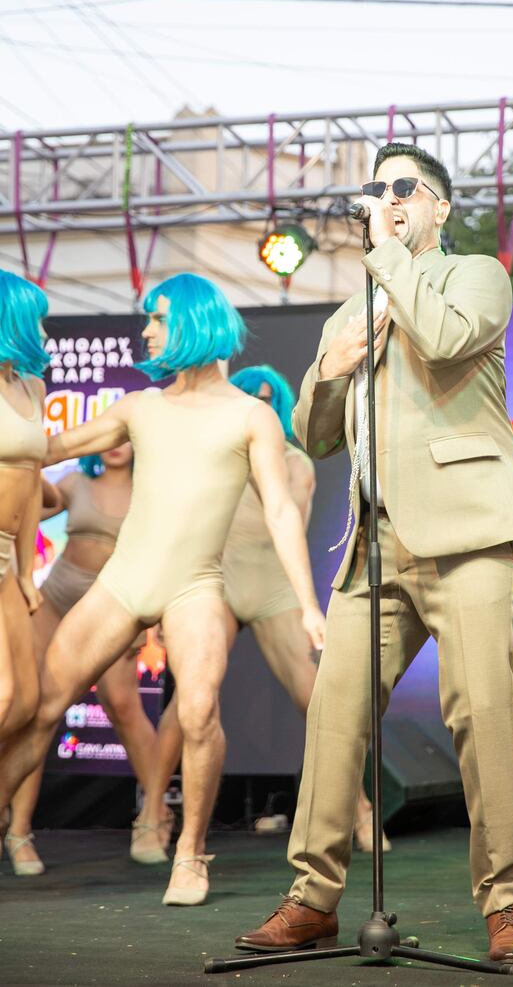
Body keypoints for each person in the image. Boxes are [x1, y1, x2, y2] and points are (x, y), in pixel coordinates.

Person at [235, 143, 513, 966]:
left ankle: (506, 902)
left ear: (440, 207)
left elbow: (443, 341)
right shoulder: (350, 309)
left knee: (482, 716)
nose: (390, 198)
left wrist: (384, 256)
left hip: (471, 533)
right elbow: (316, 432)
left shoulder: (473, 275)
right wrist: (330, 371)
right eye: (378, 188)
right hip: (375, 545)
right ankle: (312, 898)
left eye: (405, 188)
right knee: (333, 716)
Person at [0, 273, 324, 907]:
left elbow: (283, 511)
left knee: (199, 711)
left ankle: (190, 853)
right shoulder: (140, 407)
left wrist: (309, 603)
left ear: (195, 323)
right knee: (42, 709)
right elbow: (46, 447)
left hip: (196, 586)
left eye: (156, 318)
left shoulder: (250, 415)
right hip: (122, 580)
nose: (145, 330)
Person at [143, 365, 388, 854]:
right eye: (247, 396)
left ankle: (360, 809)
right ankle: (150, 816)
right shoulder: (210, 454)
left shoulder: (296, 463)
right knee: (188, 698)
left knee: (316, 697)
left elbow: (289, 519)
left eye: (266, 397)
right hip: (218, 576)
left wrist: (254, 460)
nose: (257, 403)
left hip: (274, 585)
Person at [4, 445, 172, 876]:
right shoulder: (76, 482)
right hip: (58, 597)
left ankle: (154, 816)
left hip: (114, 604)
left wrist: (145, 618)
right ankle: (19, 831)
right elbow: (25, 510)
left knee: (123, 705)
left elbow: (158, 554)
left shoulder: (151, 489)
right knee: (38, 709)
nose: (117, 447)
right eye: (109, 440)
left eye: (126, 438)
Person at [0, 270, 47, 748]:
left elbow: (32, 483)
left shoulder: (33, 388)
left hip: (9, 557)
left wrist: (28, 571)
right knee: (4, 692)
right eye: (37, 321)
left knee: (27, 701)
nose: (45, 333)